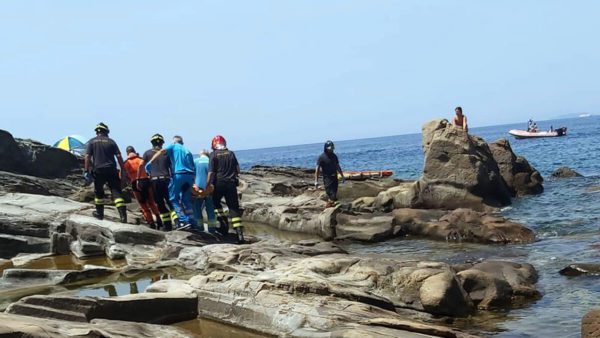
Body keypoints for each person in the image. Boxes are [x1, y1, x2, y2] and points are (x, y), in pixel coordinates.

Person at [146, 135, 197, 229]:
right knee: (186, 199)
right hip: (190, 175)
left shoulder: (173, 146)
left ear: (174, 142)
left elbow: (161, 151)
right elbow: (193, 166)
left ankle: (183, 221)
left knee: (173, 198)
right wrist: (194, 182)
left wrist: (150, 162)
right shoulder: (188, 150)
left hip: (179, 174)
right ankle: (192, 221)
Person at [84, 122, 128, 223]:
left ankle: (100, 214)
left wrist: (86, 170)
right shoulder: (111, 141)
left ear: (97, 132)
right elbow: (119, 156)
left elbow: (87, 156)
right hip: (111, 169)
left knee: (99, 192)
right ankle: (123, 217)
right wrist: (123, 170)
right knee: (116, 192)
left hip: (98, 170)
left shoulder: (92, 141)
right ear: (107, 132)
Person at [206, 135, 244, 243]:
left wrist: (207, 185)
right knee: (233, 208)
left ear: (214, 145)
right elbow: (238, 170)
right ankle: (240, 234)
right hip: (231, 184)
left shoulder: (213, 155)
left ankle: (223, 226)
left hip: (219, 183)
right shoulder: (231, 153)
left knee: (215, 204)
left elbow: (211, 173)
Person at [139, 134, 178, 231]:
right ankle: (177, 221)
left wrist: (138, 178)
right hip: (167, 179)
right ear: (162, 143)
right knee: (170, 201)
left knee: (160, 203)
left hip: (155, 180)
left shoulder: (147, 153)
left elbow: (141, 165)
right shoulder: (166, 153)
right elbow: (172, 168)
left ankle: (167, 225)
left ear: (152, 143)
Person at [123, 146, 162, 229]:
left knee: (143, 204)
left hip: (135, 183)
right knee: (151, 202)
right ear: (134, 151)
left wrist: (128, 180)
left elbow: (122, 175)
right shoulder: (141, 159)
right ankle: (158, 218)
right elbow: (150, 169)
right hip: (145, 181)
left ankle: (151, 222)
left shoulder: (126, 163)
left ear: (127, 153)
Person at [192, 150, 218, 233]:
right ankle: (212, 228)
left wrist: (194, 185)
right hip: (209, 188)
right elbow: (214, 175)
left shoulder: (195, 161)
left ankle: (200, 228)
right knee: (210, 209)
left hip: (198, 188)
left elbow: (192, 174)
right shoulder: (210, 161)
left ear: (200, 155)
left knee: (197, 209)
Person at [314, 140, 344, 208]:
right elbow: (317, 169)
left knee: (334, 195)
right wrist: (316, 181)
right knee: (331, 195)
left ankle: (331, 206)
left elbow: (337, 166)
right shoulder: (321, 157)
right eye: (330, 148)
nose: (332, 149)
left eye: (332, 147)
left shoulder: (334, 156)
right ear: (326, 148)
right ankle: (328, 209)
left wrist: (342, 176)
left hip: (335, 178)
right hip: (327, 178)